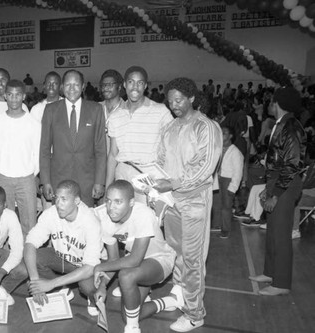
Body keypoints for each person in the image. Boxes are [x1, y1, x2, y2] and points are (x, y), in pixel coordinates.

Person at [155, 77, 222, 332]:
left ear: (192, 98)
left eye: (179, 100)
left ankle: (195, 314)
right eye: (170, 101)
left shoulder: (206, 126)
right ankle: (180, 295)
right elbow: (160, 159)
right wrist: (153, 179)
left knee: (193, 259)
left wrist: (172, 183)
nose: (174, 105)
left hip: (195, 200)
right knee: (177, 253)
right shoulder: (170, 128)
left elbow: (205, 167)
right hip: (172, 200)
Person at [93, 180, 179, 333]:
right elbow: (113, 260)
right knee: (128, 314)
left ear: (131, 202)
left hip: (159, 259)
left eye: (118, 202)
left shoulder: (143, 213)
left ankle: (133, 327)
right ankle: (170, 301)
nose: (111, 207)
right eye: (108, 201)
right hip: (138, 265)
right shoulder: (106, 219)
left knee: (126, 276)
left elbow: (134, 260)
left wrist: (100, 267)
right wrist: (102, 286)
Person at [249, 87, 306, 296]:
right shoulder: (280, 124)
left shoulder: (291, 126)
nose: (268, 105)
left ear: (277, 103)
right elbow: (276, 161)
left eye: (271, 101)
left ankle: (281, 283)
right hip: (277, 182)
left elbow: (292, 164)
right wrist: (267, 187)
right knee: (273, 232)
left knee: (281, 235)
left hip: (286, 185)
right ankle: (270, 272)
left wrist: (276, 193)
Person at [24, 180, 102, 313]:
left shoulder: (90, 221)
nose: (58, 204)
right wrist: (35, 282)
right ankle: (61, 289)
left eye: (64, 199)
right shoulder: (50, 213)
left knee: (88, 287)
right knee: (33, 258)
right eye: (56, 198)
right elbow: (29, 244)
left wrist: (50, 284)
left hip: (87, 266)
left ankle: (92, 298)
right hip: (64, 259)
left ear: (77, 201)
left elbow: (90, 267)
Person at [40, 70, 107, 207]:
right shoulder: (50, 110)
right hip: (58, 178)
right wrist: (45, 181)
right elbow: (44, 149)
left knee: (85, 221)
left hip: (87, 180)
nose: (72, 89)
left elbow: (100, 149)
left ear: (83, 86)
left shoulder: (96, 109)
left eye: (76, 84)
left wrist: (99, 181)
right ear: (62, 87)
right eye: (68, 85)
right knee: (61, 222)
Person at [106, 66, 173, 203]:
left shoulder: (160, 111)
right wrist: (108, 187)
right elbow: (113, 154)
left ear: (145, 86)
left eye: (140, 83)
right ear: (124, 85)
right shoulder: (115, 116)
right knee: (123, 221)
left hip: (148, 176)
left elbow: (171, 147)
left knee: (147, 220)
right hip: (122, 174)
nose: (135, 87)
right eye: (131, 82)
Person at [0, 80, 41, 237]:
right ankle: (5, 255)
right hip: (3, 178)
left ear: (24, 96)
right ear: (5, 96)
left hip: (26, 179)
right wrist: (2, 169)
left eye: (18, 95)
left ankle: (28, 257)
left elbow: (37, 153)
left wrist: (31, 172)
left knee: (30, 222)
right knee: (3, 221)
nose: (14, 99)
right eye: (10, 95)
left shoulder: (34, 123)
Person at [211, 125, 244, 239]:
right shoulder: (218, 148)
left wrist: (233, 187)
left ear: (230, 136)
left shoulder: (235, 152)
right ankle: (217, 224)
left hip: (228, 180)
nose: (221, 134)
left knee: (226, 206)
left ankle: (226, 229)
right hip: (218, 178)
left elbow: (238, 171)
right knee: (216, 204)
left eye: (224, 133)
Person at [98, 69, 125, 154]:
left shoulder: (127, 110)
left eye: (110, 85)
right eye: (104, 85)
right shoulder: (96, 109)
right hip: (98, 162)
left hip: (119, 162)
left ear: (119, 87)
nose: (106, 88)